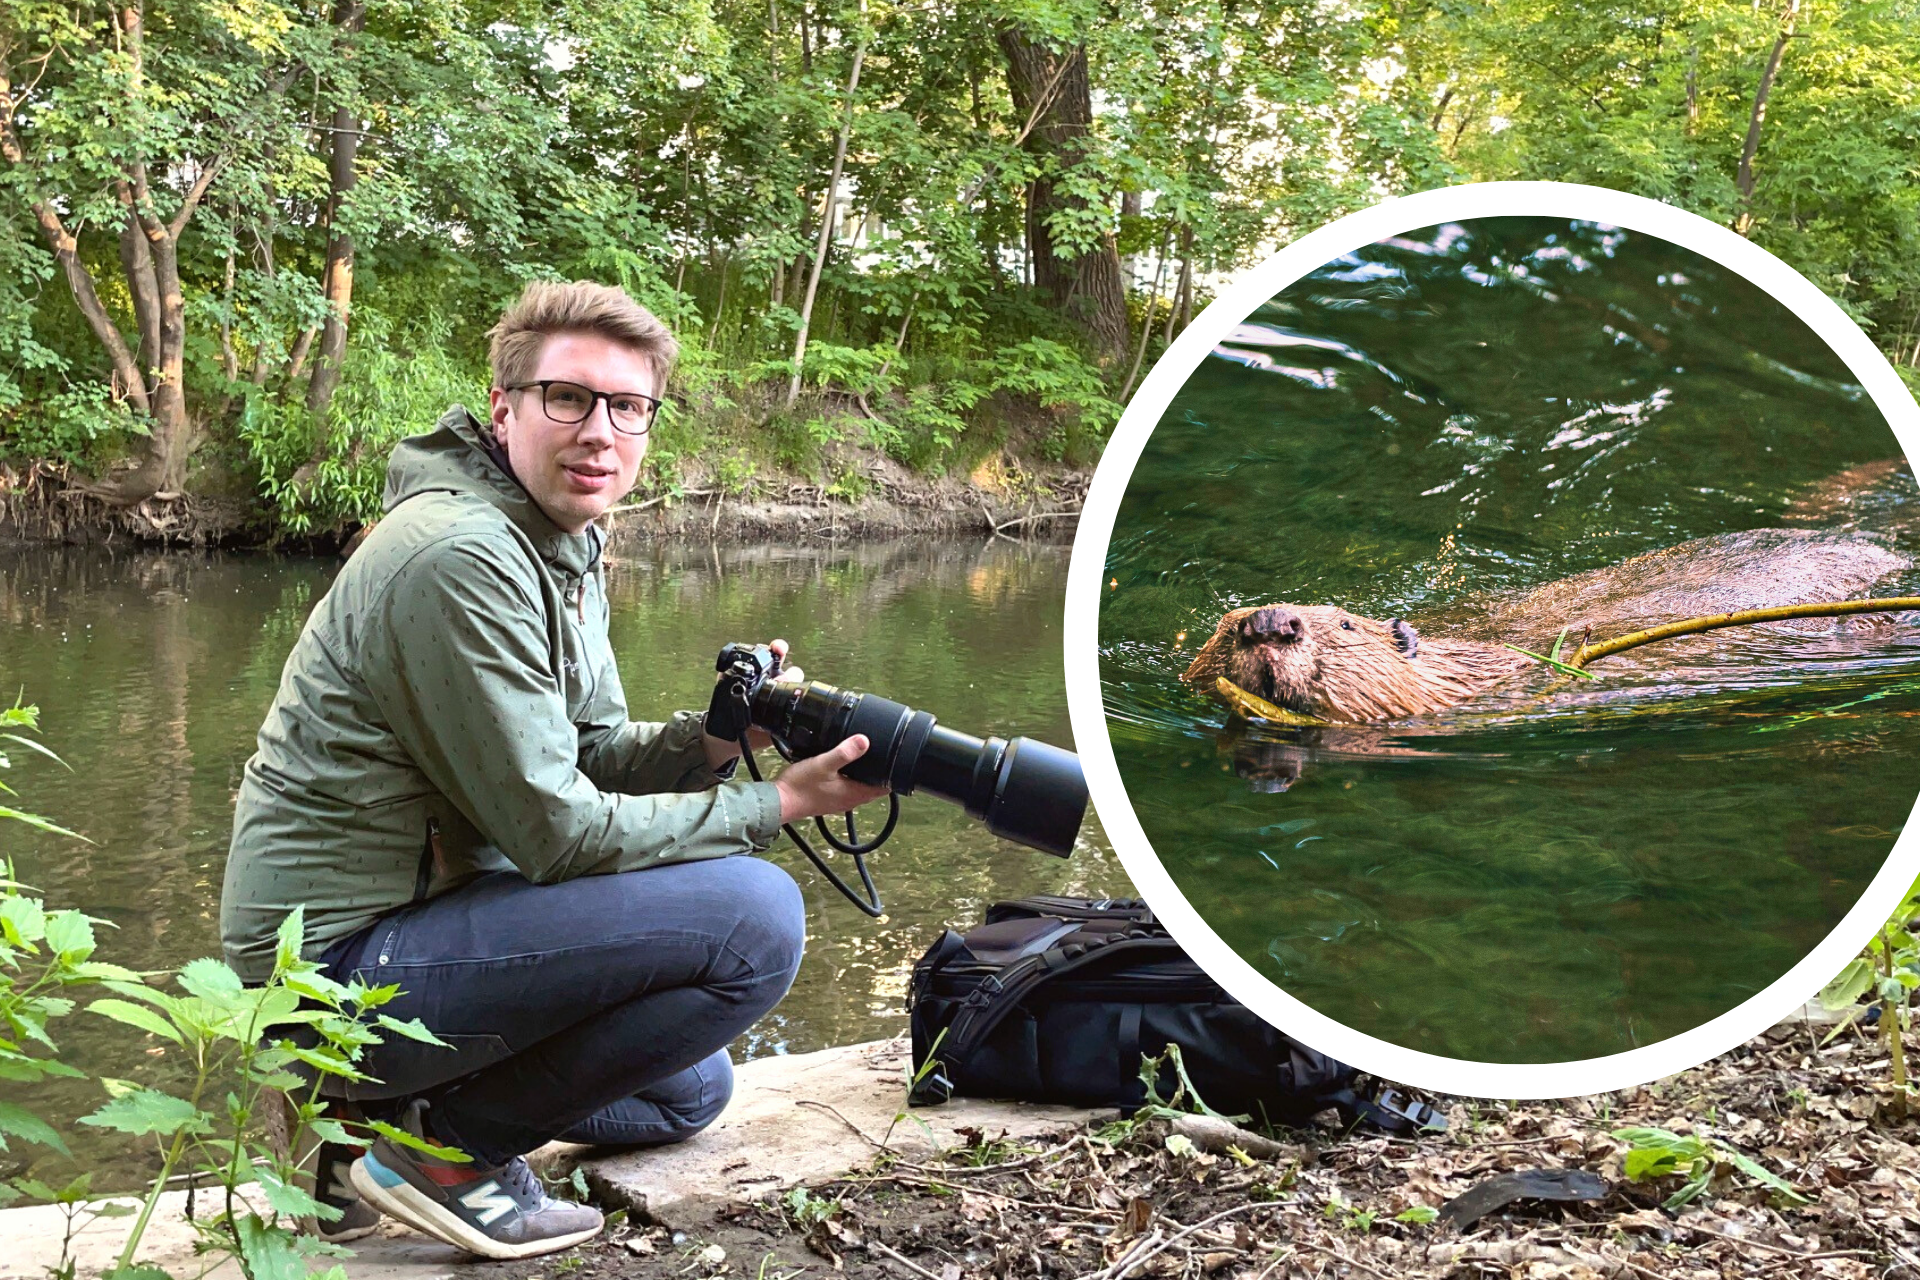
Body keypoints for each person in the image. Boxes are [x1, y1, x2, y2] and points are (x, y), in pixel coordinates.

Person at [218, 280, 889, 1260]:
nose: (600, 431)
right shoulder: (460, 554)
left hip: (430, 919)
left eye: (629, 407)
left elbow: (593, 758)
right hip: (333, 971)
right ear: (505, 408)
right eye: (567, 398)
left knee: (687, 1087)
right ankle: (444, 1152)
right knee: (754, 918)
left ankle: (363, 1123)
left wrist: (714, 740)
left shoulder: (558, 540)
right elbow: (559, 831)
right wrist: (776, 800)